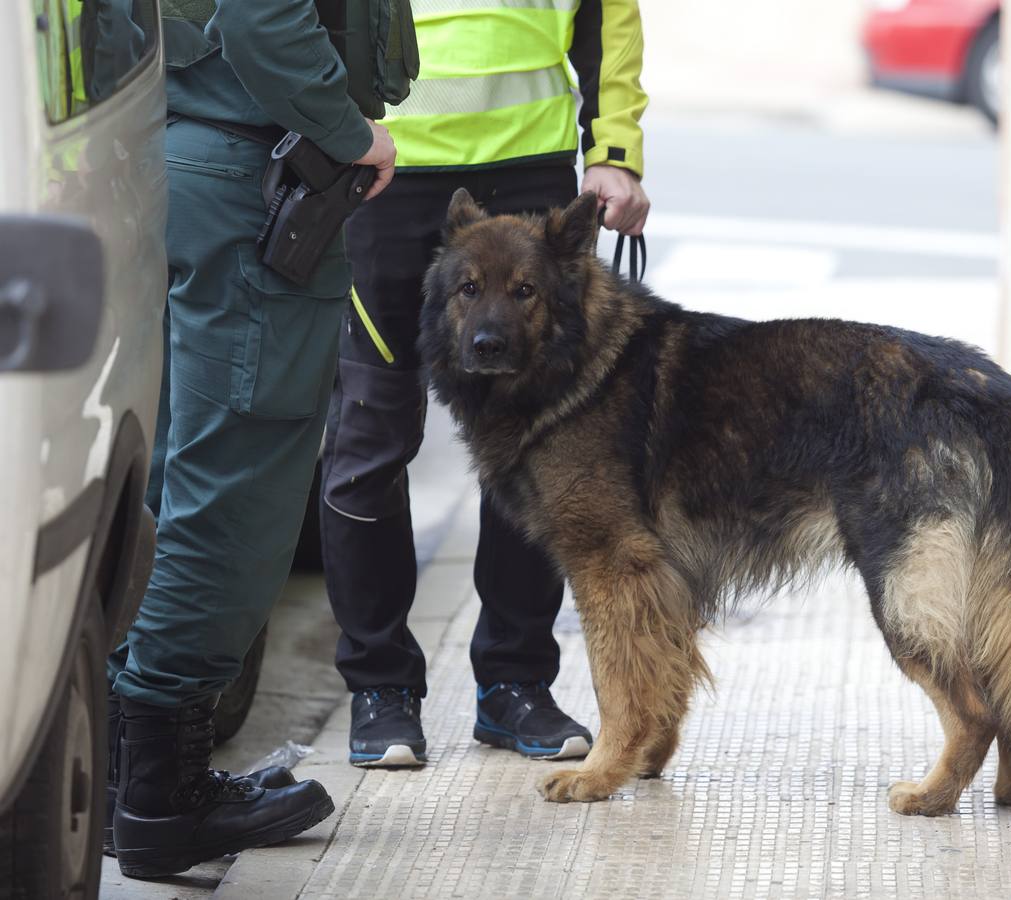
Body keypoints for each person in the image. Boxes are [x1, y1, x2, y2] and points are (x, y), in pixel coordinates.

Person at [104, 0, 401, 879]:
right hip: (249, 175)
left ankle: (135, 777)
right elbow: (265, 18)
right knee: (234, 488)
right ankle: (165, 790)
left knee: (174, 477)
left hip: (178, 157)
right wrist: (351, 133)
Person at [320, 0, 651, 768]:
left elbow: (612, 15)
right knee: (369, 438)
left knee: (540, 450)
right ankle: (380, 689)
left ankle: (515, 685)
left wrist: (615, 147)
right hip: (378, 169)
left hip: (529, 176)